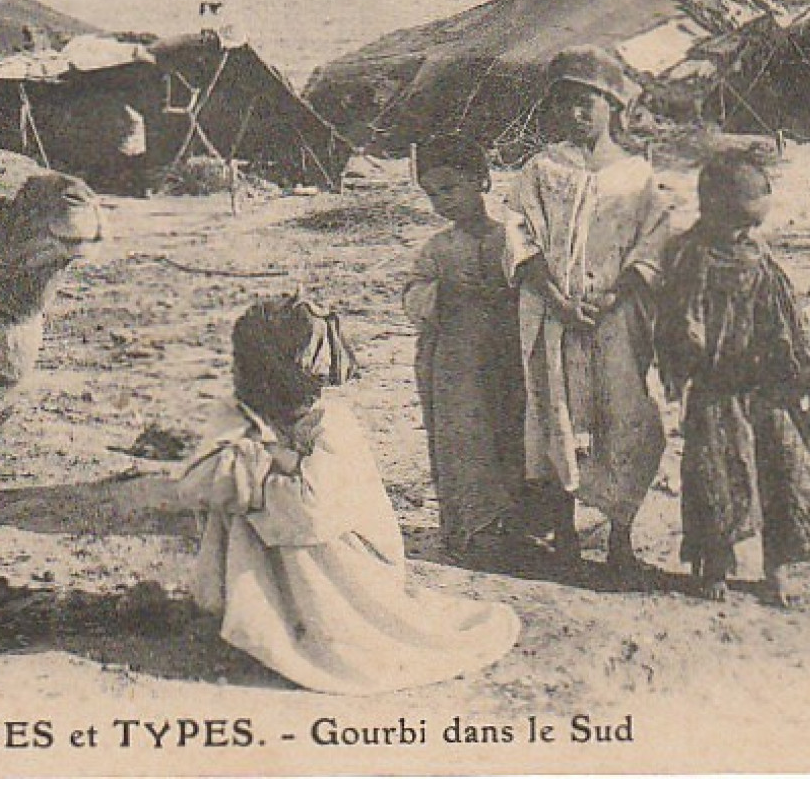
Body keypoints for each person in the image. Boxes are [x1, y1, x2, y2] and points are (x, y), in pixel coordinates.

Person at [178, 295, 520, 694]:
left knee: (256, 497)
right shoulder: (241, 417)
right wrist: (265, 461)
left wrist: (256, 471)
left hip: (348, 578)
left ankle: (291, 636)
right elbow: (194, 483)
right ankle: (252, 625)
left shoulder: (333, 426)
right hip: (289, 562)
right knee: (240, 492)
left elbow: (311, 513)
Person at [505, 45, 671, 583]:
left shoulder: (637, 175)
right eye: (565, 104)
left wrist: (617, 295)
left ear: (613, 106)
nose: (576, 114)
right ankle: (565, 536)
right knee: (558, 418)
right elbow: (518, 235)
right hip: (555, 322)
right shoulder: (540, 169)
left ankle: (620, 537)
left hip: (616, 324)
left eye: (588, 103)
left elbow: (654, 243)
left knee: (623, 420)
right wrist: (555, 298)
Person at [655, 149, 810, 605]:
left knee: (783, 472)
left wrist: (807, 383)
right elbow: (675, 325)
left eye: (756, 223)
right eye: (739, 222)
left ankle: (777, 568)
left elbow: (791, 327)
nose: (748, 232)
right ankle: (714, 562)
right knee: (715, 474)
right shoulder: (689, 258)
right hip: (716, 389)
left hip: (767, 388)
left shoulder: (760, 260)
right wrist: (683, 361)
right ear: (709, 210)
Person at [403, 133, 525, 558]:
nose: (442, 203)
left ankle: (520, 524)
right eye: (432, 194)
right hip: (456, 363)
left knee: (512, 431)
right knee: (464, 437)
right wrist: (440, 294)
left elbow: (532, 283)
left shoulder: (511, 236)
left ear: (481, 180)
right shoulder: (439, 248)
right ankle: (474, 527)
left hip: (509, 354)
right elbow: (413, 294)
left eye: (450, 188)